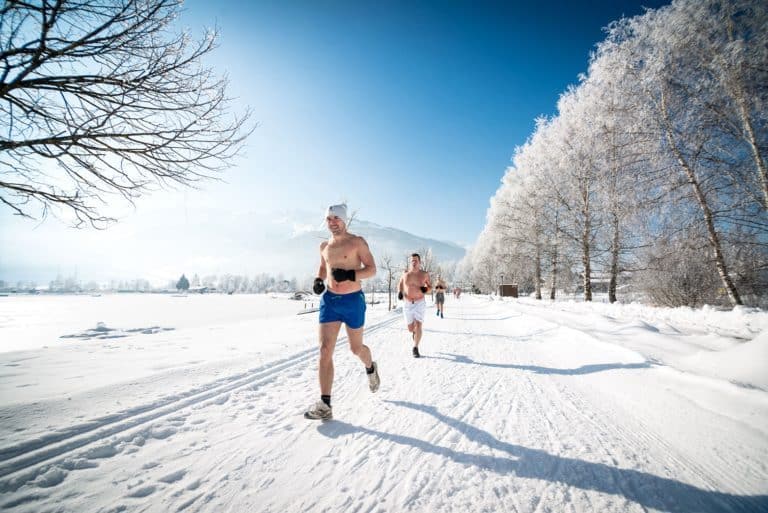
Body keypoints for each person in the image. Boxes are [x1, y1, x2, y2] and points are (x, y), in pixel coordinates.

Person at [304, 203, 380, 420]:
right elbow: (322, 267)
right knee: (324, 350)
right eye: (328, 219)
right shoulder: (324, 246)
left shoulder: (357, 242)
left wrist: (349, 276)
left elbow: (372, 270)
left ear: (344, 220)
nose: (332, 222)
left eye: (336, 218)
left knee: (356, 349)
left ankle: (370, 366)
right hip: (330, 301)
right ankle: (325, 404)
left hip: (353, 301)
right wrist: (318, 280)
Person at [397, 253, 431, 358]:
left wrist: (426, 289)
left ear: (420, 262)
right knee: (411, 329)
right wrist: (399, 291)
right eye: (412, 260)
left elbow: (430, 287)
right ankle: (414, 333)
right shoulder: (405, 274)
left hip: (419, 302)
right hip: (407, 303)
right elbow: (400, 284)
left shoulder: (424, 274)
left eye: (416, 260)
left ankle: (415, 347)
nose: (413, 262)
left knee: (419, 324)